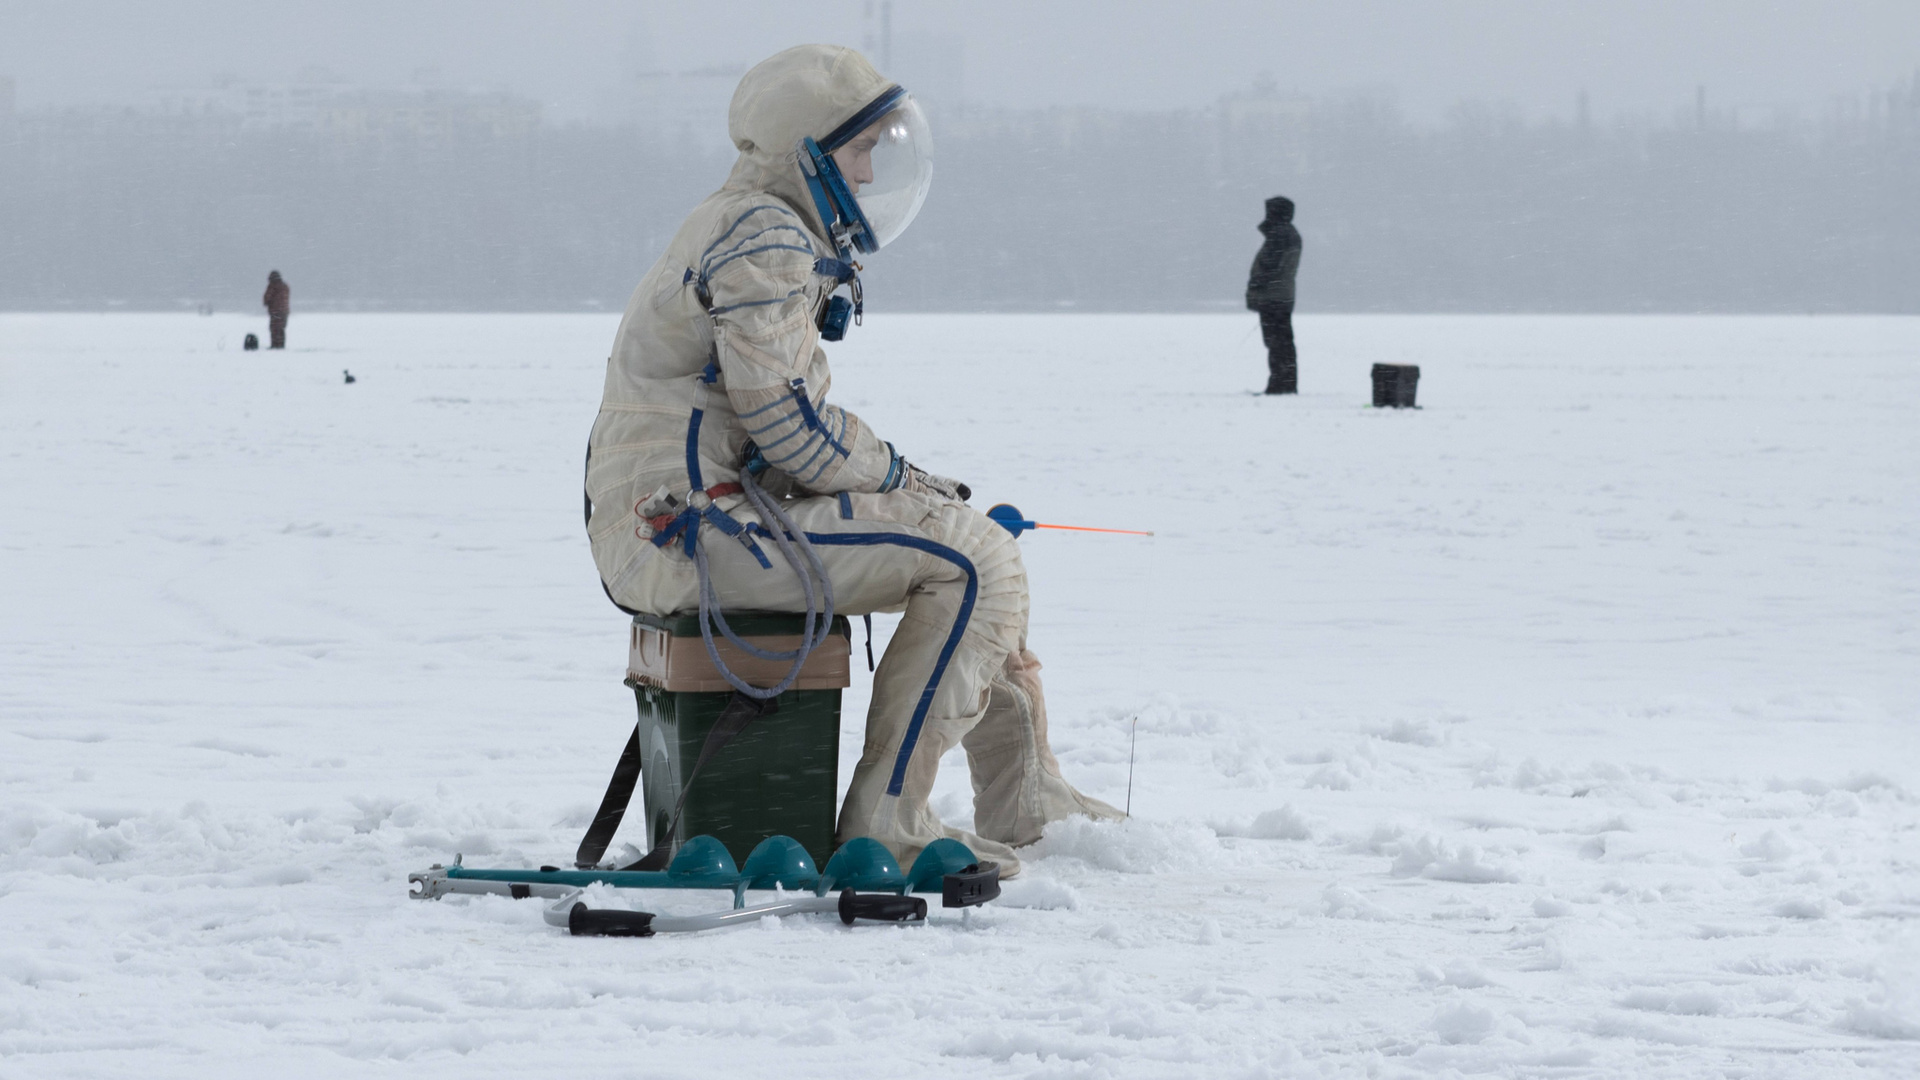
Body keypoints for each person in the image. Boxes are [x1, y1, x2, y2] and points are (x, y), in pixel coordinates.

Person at [584, 44, 1122, 877]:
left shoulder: (750, 222)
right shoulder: (764, 233)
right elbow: (792, 427)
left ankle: (1028, 799)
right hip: (691, 528)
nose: (870, 174)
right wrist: (904, 479)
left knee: (973, 543)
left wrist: (918, 494)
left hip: (687, 519)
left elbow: (769, 429)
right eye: (859, 150)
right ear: (808, 151)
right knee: (976, 562)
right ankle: (889, 826)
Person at [1245, 197, 1302, 394]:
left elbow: (1268, 268)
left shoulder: (1279, 235)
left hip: (1273, 298)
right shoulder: (1289, 234)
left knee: (1277, 343)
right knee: (1283, 342)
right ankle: (1285, 383)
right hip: (1283, 296)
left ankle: (1280, 385)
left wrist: (1255, 285)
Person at [262, 271, 290, 349]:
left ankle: (275, 345)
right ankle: (281, 345)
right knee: (281, 329)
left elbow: (267, 298)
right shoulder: (285, 286)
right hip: (284, 312)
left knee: (274, 329)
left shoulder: (272, 286)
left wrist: (267, 302)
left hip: (275, 311)